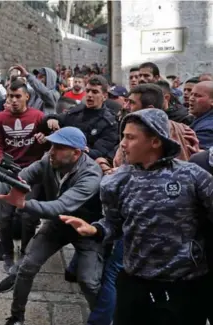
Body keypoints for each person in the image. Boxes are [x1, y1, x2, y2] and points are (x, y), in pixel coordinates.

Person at [62, 109, 210, 325]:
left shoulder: (192, 176)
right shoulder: (115, 182)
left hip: (183, 284)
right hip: (135, 281)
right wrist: (96, 230)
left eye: (131, 137)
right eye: (123, 136)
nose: (122, 143)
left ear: (155, 141)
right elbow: (114, 224)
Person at [0, 127, 104, 325]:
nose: (51, 151)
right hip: (58, 226)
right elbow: (14, 181)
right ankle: (17, 316)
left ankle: (102, 318)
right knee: (26, 267)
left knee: (89, 282)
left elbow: (61, 206)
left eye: (58, 147)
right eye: (51, 145)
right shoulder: (48, 162)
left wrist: (24, 204)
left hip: (86, 230)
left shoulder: (91, 175)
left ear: (76, 153)